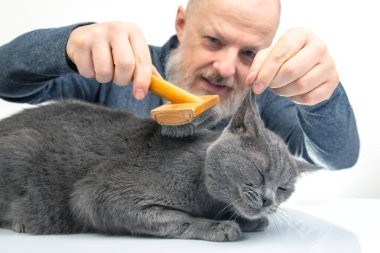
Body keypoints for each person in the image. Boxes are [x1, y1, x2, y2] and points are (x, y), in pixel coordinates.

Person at [0, 0, 359, 169]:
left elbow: (337, 157)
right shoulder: (115, 71)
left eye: (249, 52)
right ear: (182, 24)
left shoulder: (259, 97)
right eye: (214, 41)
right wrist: (68, 45)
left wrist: (322, 97)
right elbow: (7, 80)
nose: (226, 67)